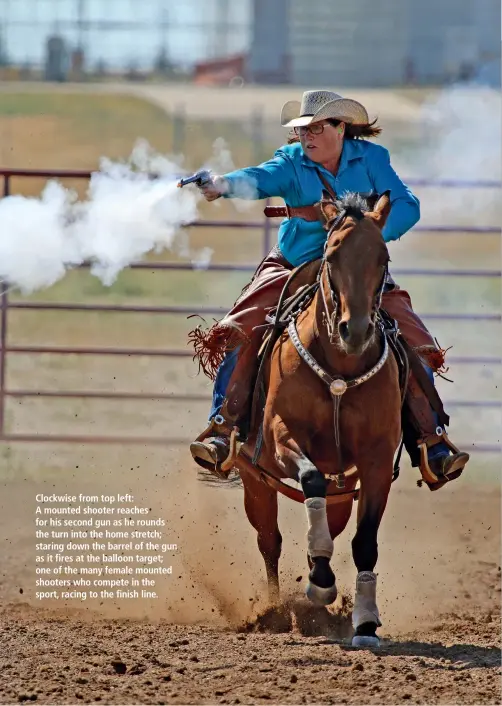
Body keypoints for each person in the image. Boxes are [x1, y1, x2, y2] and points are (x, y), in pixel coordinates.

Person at [188, 90, 469, 489]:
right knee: (236, 330)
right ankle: (222, 430)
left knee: (417, 341)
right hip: (293, 264)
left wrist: (368, 237)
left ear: (341, 128)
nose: (307, 137)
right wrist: (222, 184)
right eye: (303, 130)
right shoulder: (290, 162)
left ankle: (431, 440)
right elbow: (257, 178)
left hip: (357, 270)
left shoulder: (373, 159)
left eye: (317, 128)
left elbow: (407, 204)